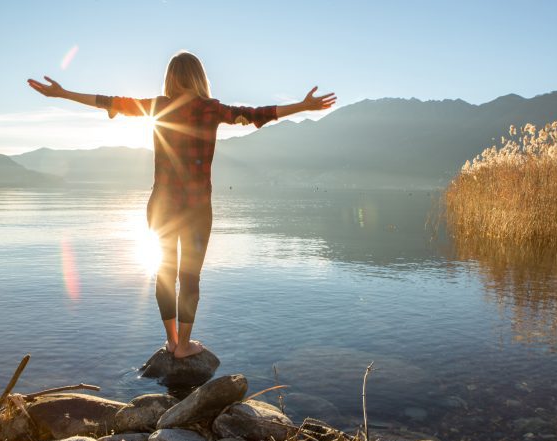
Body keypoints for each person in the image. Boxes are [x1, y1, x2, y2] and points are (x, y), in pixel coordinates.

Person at [28, 51, 336, 358]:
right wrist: (304, 106)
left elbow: (108, 101)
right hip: (197, 207)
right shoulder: (212, 109)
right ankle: (185, 346)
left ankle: (172, 341)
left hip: (161, 204)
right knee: (190, 276)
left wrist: (63, 93)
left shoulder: (158, 107)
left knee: (164, 272)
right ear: (200, 77)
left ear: (170, 78)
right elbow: (257, 114)